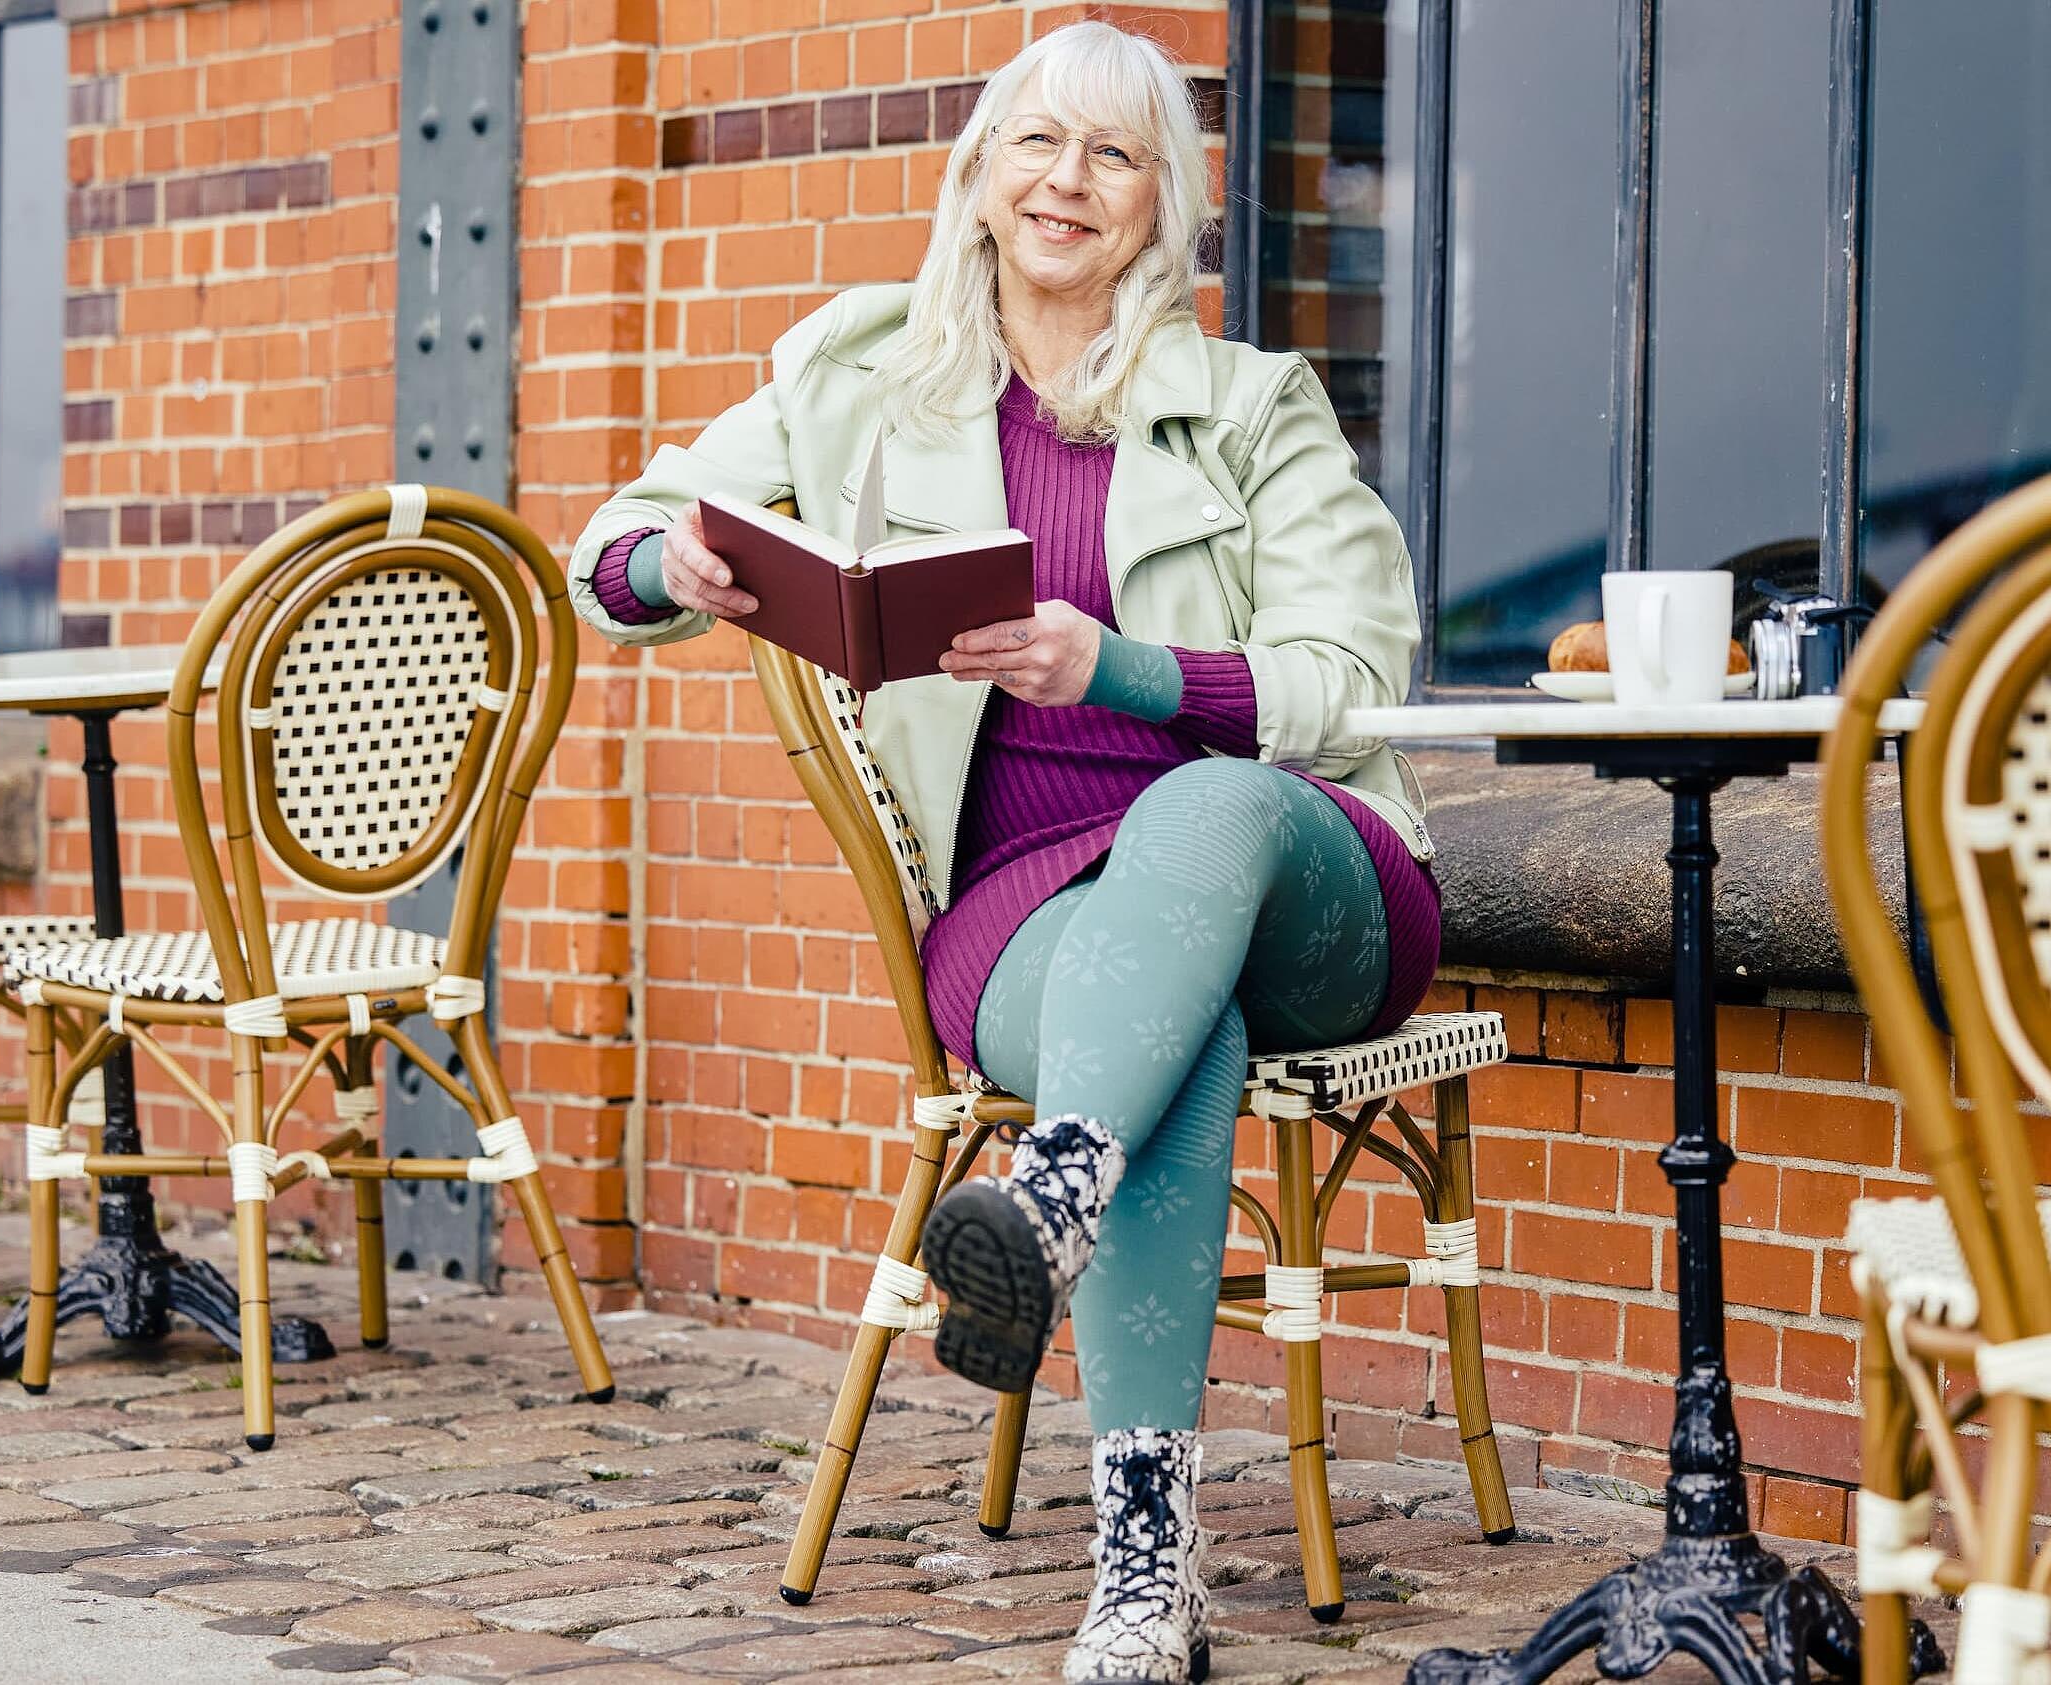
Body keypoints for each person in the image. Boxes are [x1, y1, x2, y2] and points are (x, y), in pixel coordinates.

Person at [564, 20, 1435, 1681]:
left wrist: (1110, 666)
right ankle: (1139, 1566)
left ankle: (1052, 1190)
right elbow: (603, 550)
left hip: (1299, 875)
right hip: (1025, 908)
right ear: (976, 176)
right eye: (1036, 143)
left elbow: (1349, 678)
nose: (1067, 182)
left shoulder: (1255, 404)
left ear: (1163, 206)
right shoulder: (857, 377)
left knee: (1200, 805)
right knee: (1176, 1045)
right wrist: (666, 570)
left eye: (1115, 156)